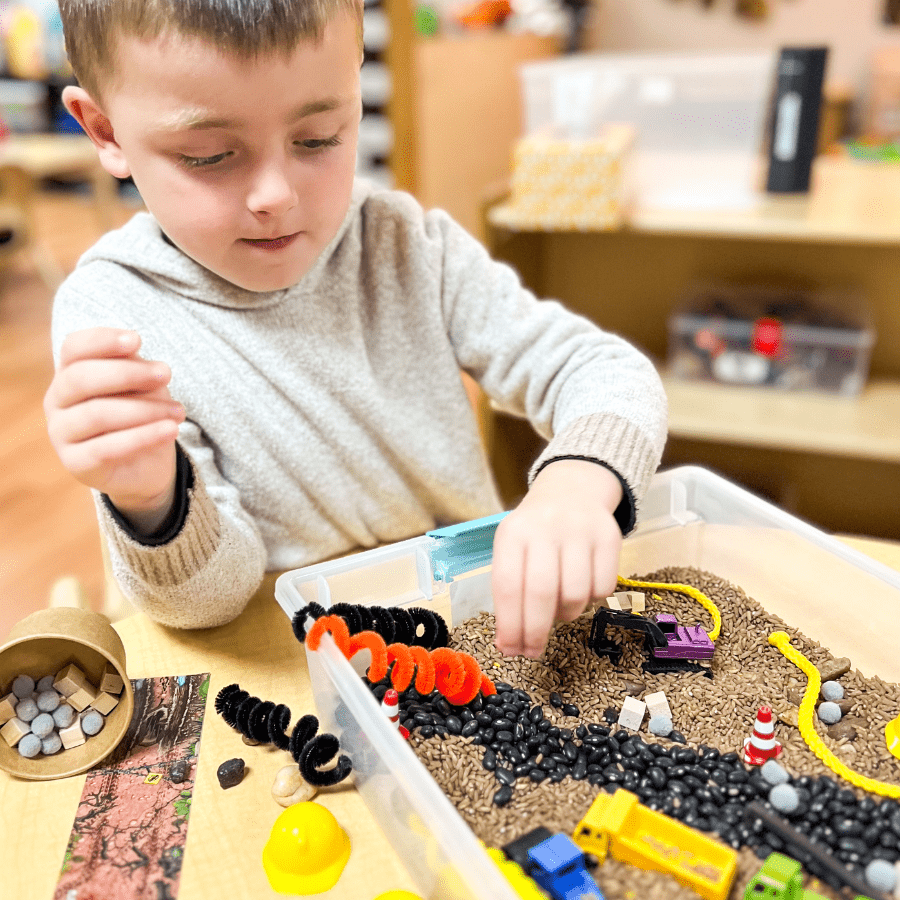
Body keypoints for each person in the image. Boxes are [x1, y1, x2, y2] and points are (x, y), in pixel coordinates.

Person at [43, 0, 667, 659]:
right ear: (106, 131)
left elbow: (604, 370)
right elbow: (208, 604)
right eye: (211, 155)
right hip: (288, 657)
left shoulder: (406, 244)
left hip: (464, 630)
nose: (275, 195)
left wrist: (576, 480)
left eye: (317, 138)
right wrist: (152, 500)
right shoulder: (112, 313)